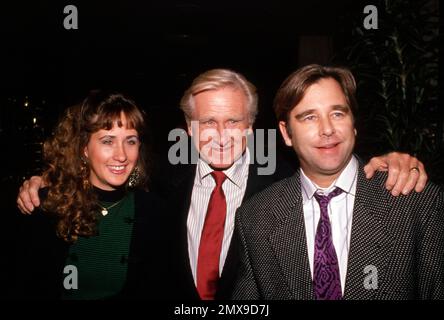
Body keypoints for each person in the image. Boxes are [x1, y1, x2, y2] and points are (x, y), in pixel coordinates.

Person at [17, 69, 428, 300]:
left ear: (251, 127)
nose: (221, 134)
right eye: (207, 122)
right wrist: (46, 181)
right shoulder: (162, 183)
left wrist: (392, 159)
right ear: (189, 130)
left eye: (233, 121)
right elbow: (106, 177)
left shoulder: (286, 184)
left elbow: (335, 162)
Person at [231, 65, 444, 300]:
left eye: (338, 114)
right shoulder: (255, 218)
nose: (327, 129)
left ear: (353, 123)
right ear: (286, 133)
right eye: (310, 117)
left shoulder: (415, 201)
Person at [14, 91, 170, 299]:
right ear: (84, 148)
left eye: (130, 141)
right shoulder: (46, 206)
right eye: (108, 141)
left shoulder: (154, 211)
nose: (121, 155)